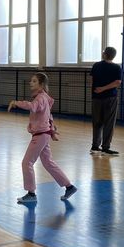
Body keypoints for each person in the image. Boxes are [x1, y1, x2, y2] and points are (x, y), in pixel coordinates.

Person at [8, 73, 77, 204]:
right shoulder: (43, 97)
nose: (31, 83)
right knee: (48, 162)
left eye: (34, 81)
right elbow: (49, 117)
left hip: (40, 136)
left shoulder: (40, 98)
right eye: (31, 80)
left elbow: (32, 107)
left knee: (27, 163)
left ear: (41, 85)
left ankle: (31, 194)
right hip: (44, 134)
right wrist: (52, 131)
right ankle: (69, 187)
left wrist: (16, 103)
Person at [90, 46, 122, 155]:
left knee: (97, 122)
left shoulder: (96, 65)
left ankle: (95, 146)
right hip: (110, 97)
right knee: (109, 123)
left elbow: (92, 80)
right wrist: (104, 88)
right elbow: (117, 82)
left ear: (105, 54)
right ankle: (105, 147)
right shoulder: (116, 67)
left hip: (96, 97)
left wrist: (97, 91)